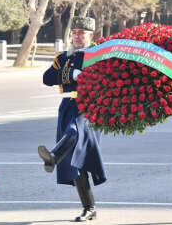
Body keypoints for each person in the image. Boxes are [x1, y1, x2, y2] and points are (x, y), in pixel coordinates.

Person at [38, 16, 107, 221]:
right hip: (68, 105)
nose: (77, 36)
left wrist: (79, 73)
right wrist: (71, 73)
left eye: (82, 33)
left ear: (91, 35)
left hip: (90, 106)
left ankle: (53, 156)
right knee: (76, 160)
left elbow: (103, 78)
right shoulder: (63, 58)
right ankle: (89, 207)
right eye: (75, 32)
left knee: (75, 131)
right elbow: (47, 78)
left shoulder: (98, 56)